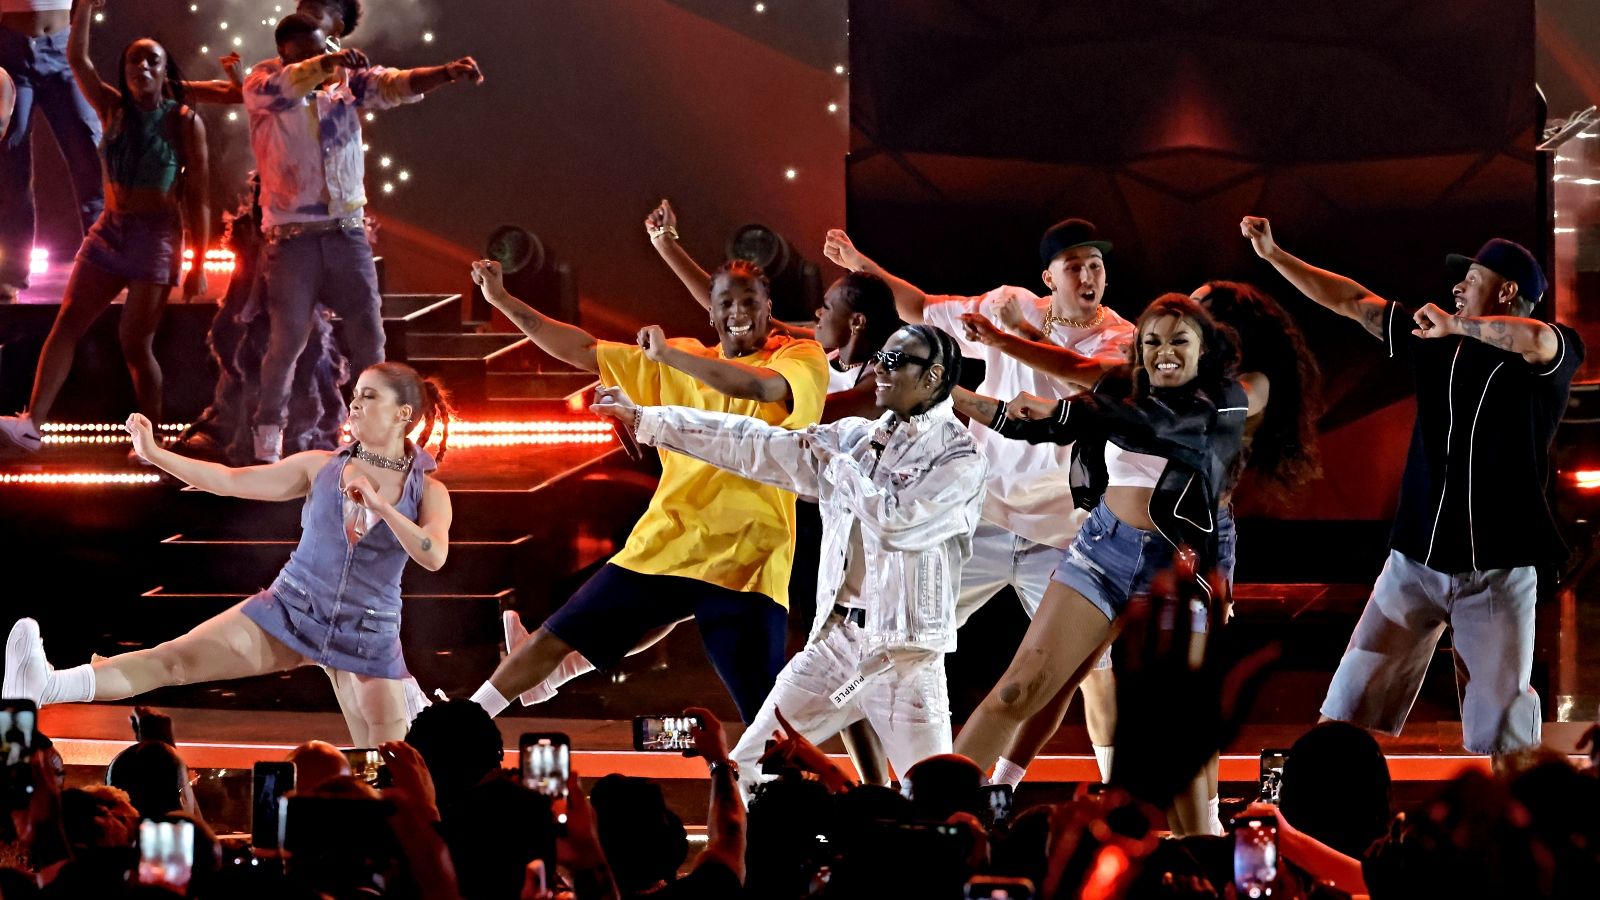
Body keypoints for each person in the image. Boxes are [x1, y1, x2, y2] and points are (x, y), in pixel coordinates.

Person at [1241, 216, 1584, 756]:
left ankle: (1514, 832)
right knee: (1346, 708)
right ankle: (1316, 815)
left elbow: (1537, 338)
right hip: (1416, 564)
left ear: (1508, 289)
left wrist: (1459, 327)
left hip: (1498, 569)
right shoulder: (1434, 340)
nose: (1456, 288)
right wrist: (1275, 256)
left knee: (1504, 736)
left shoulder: (1550, 350)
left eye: (1469, 278)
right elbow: (1355, 302)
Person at [592, 323, 985, 787]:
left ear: (933, 376)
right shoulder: (857, 437)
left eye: (895, 362)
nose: (878, 368)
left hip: (906, 662)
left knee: (933, 800)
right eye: (881, 355)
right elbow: (754, 443)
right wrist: (647, 419)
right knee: (745, 770)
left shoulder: (960, 458)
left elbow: (896, 519)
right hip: (836, 646)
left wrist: (839, 466)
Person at [824, 221, 1136, 787]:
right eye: (1075, 266)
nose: (1089, 275)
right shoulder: (1008, 305)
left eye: (1097, 264)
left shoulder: (1120, 339)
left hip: (1064, 532)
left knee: (1091, 671)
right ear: (1049, 278)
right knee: (901, 639)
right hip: (984, 521)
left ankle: (1112, 789)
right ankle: (888, 785)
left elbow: (1079, 385)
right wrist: (859, 261)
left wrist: (1015, 339)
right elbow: (918, 306)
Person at [2, 362, 454, 745]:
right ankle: (47, 684)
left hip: (367, 631)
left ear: (403, 414)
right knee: (173, 660)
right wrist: (157, 455)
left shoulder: (429, 493)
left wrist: (378, 506)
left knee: (388, 761)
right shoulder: (320, 466)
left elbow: (432, 555)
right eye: (355, 395)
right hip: (293, 606)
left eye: (369, 397)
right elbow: (231, 480)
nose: (354, 405)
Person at [469, 256, 828, 723]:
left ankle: (804, 788)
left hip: (749, 558)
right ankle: (463, 721)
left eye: (749, 301)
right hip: (667, 542)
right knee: (552, 636)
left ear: (768, 308)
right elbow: (582, 349)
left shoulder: (798, 357)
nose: (737, 312)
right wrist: (502, 300)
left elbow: (755, 389)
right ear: (711, 311)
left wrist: (669, 357)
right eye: (726, 302)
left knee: (767, 715)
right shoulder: (676, 356)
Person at [950, 296, 1253, 803]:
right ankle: (932, 815)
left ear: (1204, 351)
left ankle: (1200, 840)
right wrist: (944, 389)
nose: (1165, 353)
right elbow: (1030, 415)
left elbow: (1150, 426)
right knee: (1016, 691)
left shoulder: (1222, 401)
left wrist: (1075, 408)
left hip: (1175, 573)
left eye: (1180, 341)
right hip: (1101, 554)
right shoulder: (1122, 387)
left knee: (1178, 731)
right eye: (1152, 342)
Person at [243, 12, 482, 463]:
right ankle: (268, 431)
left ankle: (372, 436)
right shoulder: (263, 82)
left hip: (346, 234)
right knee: (288, 339)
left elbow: (396, 84)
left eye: (321, 49)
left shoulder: (345, 85)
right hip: (292, 240)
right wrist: (326, 63)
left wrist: (446, 73)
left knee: (369, 340)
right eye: (305, 54)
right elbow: (289, 86)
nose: (317, 60)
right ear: (284, 54)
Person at [0, 1, 208, 457]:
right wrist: (88, 10)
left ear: (165, 69)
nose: (143, 67)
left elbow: (198, 197)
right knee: (67, 324)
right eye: (135, 59)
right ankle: (31, 423)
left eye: (153, 59)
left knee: (136, 342)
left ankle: (150, 442)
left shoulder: (182, 120)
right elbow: (79, 61)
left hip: (155, 238)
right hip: (110, 234)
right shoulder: (112, 105)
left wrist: (196, 262)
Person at [643, 198, 904, 420]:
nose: (817, 314)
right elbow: (735, 312)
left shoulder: (881, 381)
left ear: (856, 322)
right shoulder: (827, 352)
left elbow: (808, 415)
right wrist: (665, 243)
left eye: (826, 307)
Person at [0, 0, 102, 302]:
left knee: (91, 154)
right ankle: (11, 272)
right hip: (10, 49)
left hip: (63, 49)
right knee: (11, 164)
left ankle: (104, 265)